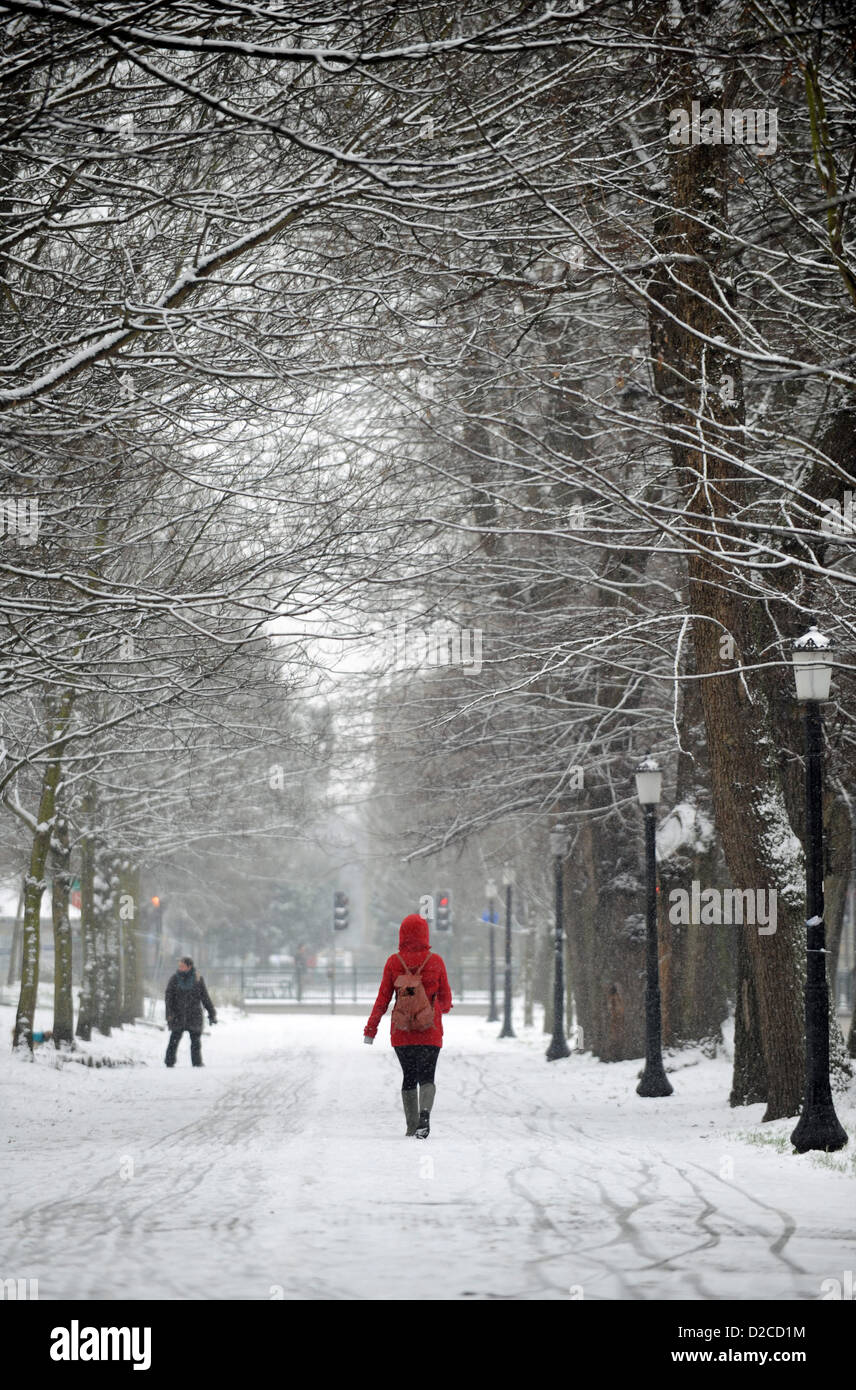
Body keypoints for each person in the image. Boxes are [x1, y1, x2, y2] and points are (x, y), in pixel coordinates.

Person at [364, 913, 452, 1137]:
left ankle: (412, 1125)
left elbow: (382, 999)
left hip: (402, 1034)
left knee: (409, 1076)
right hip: (430, 1032)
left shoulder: (394, 962)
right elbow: (446, 999)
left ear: (401, 934)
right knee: (427, 1076)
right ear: (425, 934)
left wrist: (371, 1030)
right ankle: (425, 1115)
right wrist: (431, 1009)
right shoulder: (436, 961)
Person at [164, 956, 216, 1068]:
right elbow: (168, 998)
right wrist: (169, 1013)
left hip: (194, 1015)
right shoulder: (174, 979)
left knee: (195, 1041)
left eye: (182, 966)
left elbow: (205, 998)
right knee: (174, 1039)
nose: (180, 968)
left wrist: (212, 1014)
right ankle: (169, 1061)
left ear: (189, 966)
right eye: (179, 966)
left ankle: (197, 1062)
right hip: (178, 1015)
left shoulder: (198, 979)